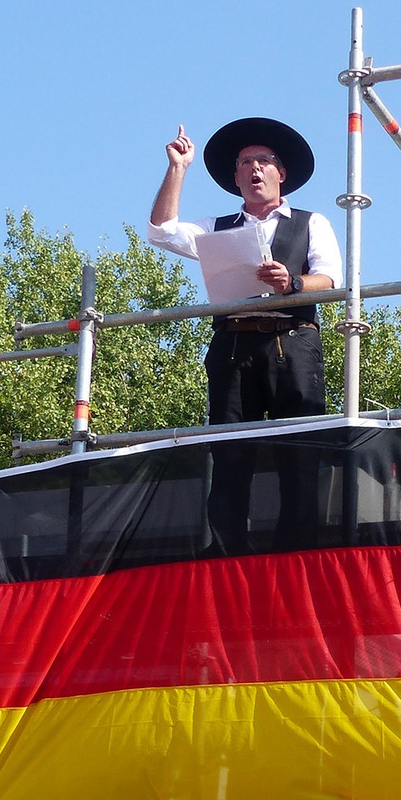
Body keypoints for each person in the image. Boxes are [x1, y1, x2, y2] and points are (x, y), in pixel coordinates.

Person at [148, 117, 342, 555]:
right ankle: (227, 556)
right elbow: (161, 231)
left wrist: (291, 282)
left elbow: (330, 280)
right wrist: (178, 168)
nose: (255, 168)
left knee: (300, 451)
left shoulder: (311, 222)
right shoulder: (215, 227)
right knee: (230, 452)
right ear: (235, 177)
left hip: (292, 340)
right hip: (233, 344)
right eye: (245, 162)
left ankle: (296, 555)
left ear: (281, 172)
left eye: (264, 160)